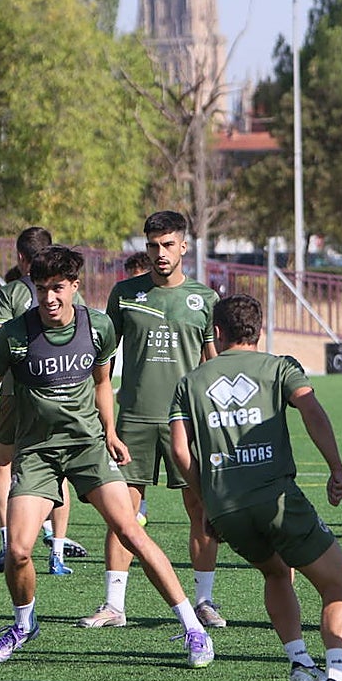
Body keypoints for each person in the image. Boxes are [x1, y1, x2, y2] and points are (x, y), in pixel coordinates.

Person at [0, 245, 214, 667]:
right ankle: (24, 624)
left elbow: (102, 381)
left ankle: (193, 628)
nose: (49, 298)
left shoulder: (98, 326)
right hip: (37, 454)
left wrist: (109, 431)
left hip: (88, 448)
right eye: (42, 288)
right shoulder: (13, 336)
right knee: (19, 551)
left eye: (58, 289)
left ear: (75, 287)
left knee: (131, 532)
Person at [171, 294, 342, 681]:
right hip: (276, 500)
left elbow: (181, 452)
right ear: (258, 331)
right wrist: (336, 468)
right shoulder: (278, 367)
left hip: (227, 509)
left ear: (217, 333)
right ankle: (338, 677)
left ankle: (300, 662)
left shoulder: (190, 382)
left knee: (275, 572)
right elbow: (312, 411)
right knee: (335, 582)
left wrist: (207, 501)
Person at [78, 211, 223, 629]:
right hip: (134, 420)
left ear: (184, 247)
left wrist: (214, 422)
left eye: (167, 245)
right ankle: (113, 605)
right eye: (153, 246)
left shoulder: (204, 299)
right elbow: (102, 366)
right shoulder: (124, 295)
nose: (160, 253)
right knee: (124, 511)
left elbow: (213, 366)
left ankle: (204, 601)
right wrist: (106, 425)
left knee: (198, 507)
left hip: (186, 422)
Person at [0, 226, 84, 574]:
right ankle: (57, 550)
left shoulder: (11, 291)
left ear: (21, 257)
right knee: (61, 469)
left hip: (15, 389)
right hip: (62, 388)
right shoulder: (71, 291)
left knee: (3, 466)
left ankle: (6, 544)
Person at [123, 250, 152, 527]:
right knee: (132, 483)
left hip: (175, 407)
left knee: (194, 498)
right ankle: (139, 509)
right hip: (135, 406)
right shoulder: (125, 297)